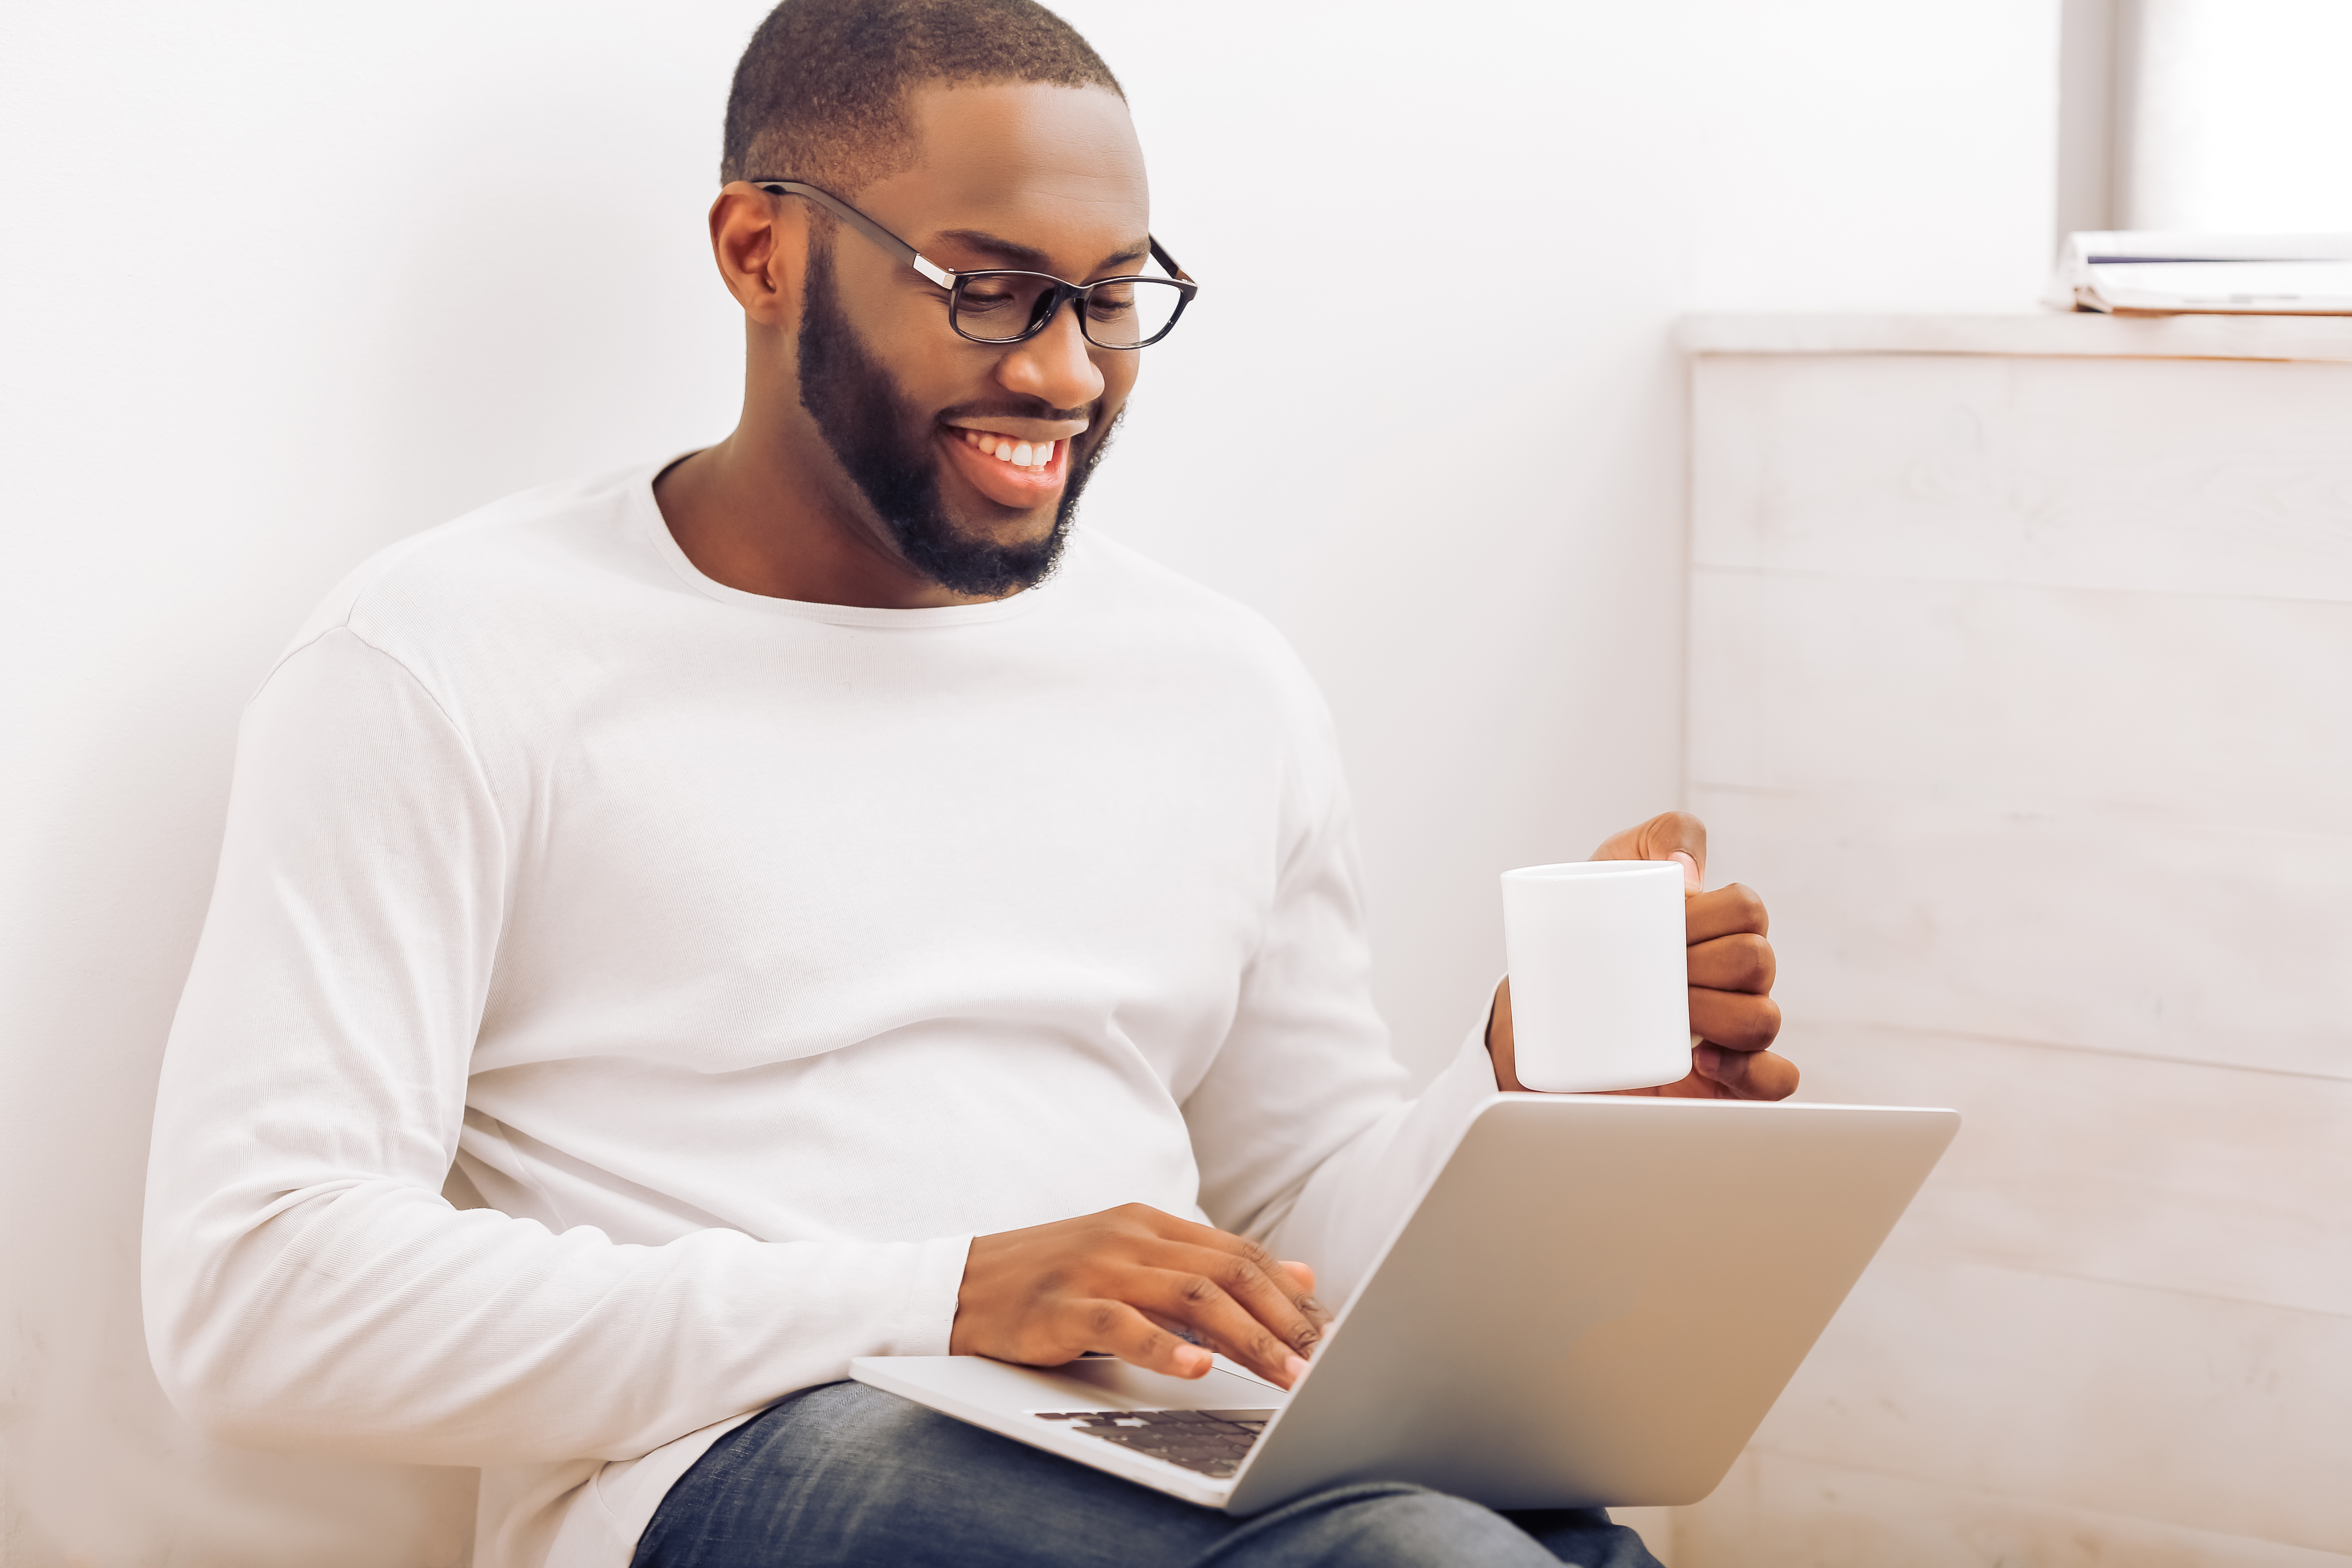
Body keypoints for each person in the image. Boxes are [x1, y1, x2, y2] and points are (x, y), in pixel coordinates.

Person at [141, 3, 1790, 1565]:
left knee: (1564, 1546)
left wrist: (1514, 1095)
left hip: (1171, 1440)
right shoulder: (446, 655)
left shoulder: (1220, 682)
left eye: (1111, 298)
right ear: (761, 252)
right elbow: (253, 1288)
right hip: (729, 1460)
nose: (1066, 375)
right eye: (989, 291)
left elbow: (1296, 1242)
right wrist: (942, 1295)